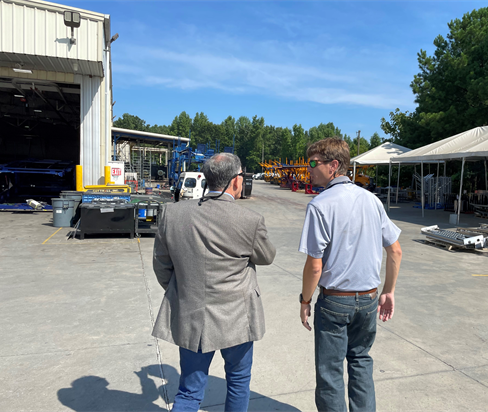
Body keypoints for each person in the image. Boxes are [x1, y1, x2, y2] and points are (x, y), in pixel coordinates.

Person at [152, 152, 276, 412]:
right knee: (239, 382)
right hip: (237, 318)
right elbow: (267, 257)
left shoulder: (172, 214)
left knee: (189, 392)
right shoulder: (250, 220)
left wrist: (184, 291)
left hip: (191, 314)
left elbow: (162, 265)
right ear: (235, 180)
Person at [299, 137, 402, 412]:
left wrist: (305, 300)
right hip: (368, 299)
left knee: (330, 371)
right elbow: (395, 251)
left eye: (313, 163)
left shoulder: (320, 205)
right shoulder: (372, 201)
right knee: (360, 361)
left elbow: (315, 266)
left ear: (333, 165)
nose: (309, 169)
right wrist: (388, 291)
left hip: (335, 301)